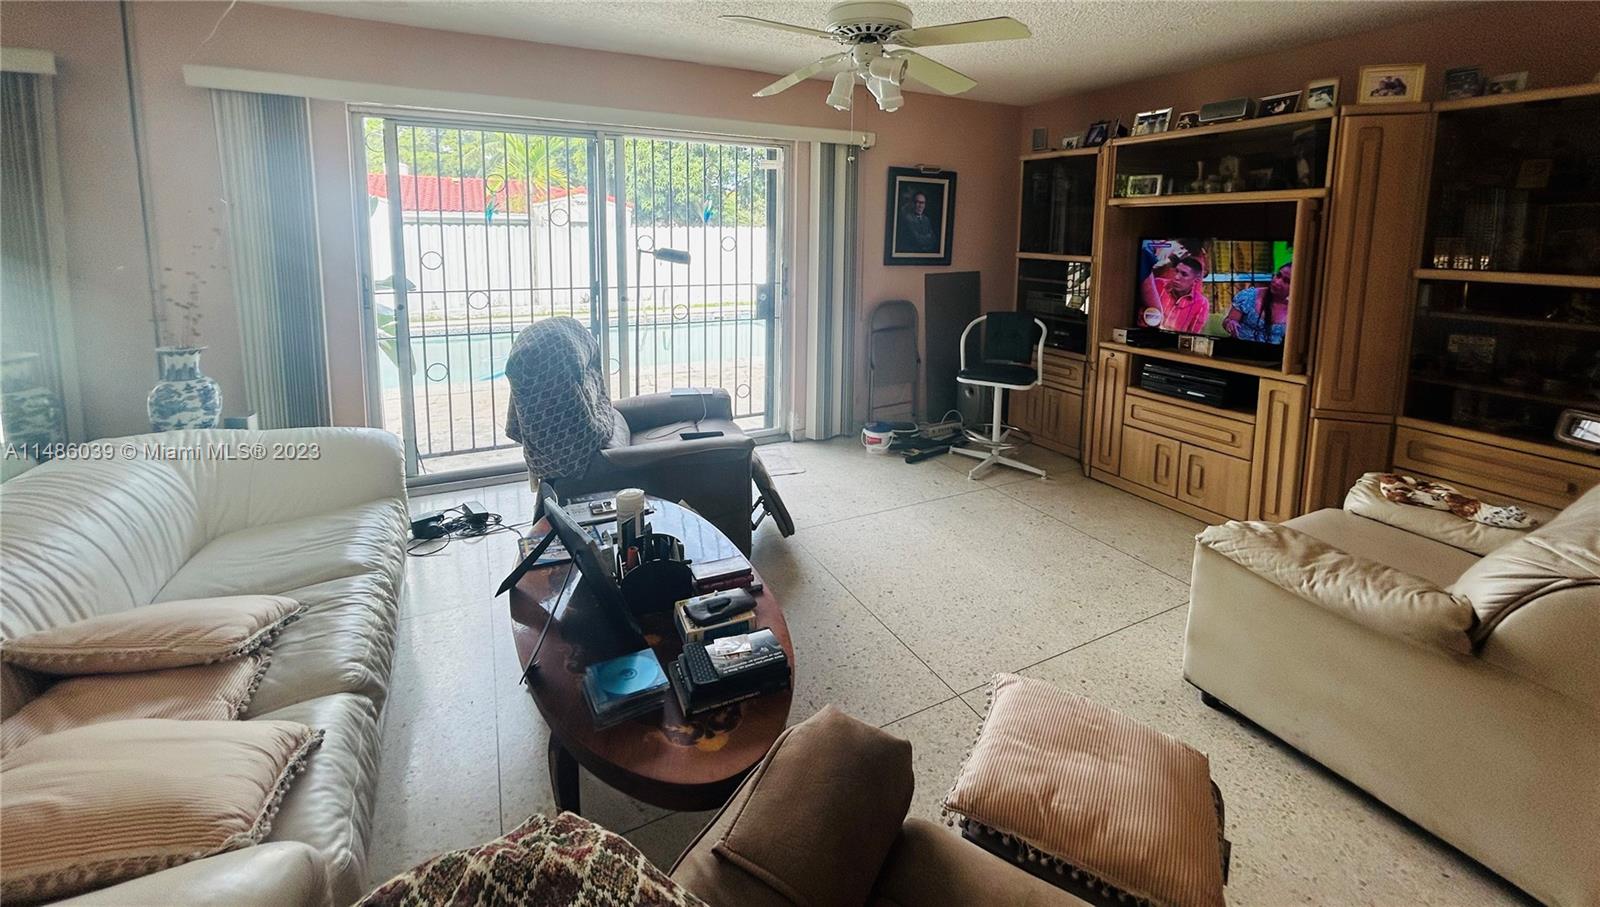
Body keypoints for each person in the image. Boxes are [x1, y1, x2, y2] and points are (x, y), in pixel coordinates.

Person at [1139, 248, 1210, 334]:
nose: (1176, 277)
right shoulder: (1157, 284)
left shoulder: (1202, 303)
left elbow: (1193, 336)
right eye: (1176, 271)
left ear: (1196, 281)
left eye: (1184, 274)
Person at [1223, 261, 1292, 344]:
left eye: (1286, 281)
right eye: (1278, 275)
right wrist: (1230, 323)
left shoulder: (1295, 312)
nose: (1277, 282)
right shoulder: (1248, 296)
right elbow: (1229, 320)